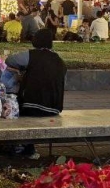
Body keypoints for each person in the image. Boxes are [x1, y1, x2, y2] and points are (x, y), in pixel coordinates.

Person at [4, 28, 67, 159]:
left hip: (31, 104)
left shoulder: (31, 55)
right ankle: (26, 146)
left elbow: (10, 60)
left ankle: (22, 146)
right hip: (54, 107)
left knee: (12, 106)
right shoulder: (59, 61)